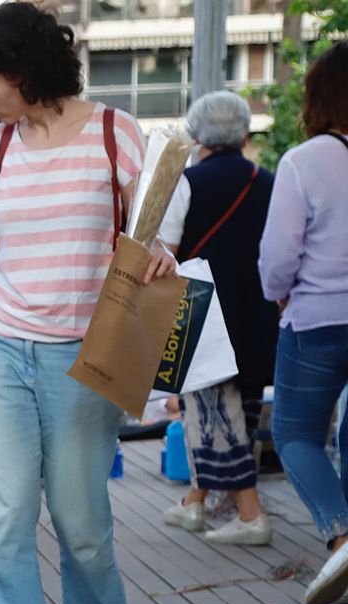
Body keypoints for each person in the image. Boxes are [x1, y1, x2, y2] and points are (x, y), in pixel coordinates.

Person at [0, 1, 175, 604]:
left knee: (80, 514)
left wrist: (160, 256)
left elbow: (150, 231)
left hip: (84, 354)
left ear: (24, 72)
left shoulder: (115, 132)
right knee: (5, 513)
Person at [155, 91, 277, 546]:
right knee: (237, 409)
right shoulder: (269, 180)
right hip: (259, 310)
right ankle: (196, 501)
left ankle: (250, 515)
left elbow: (164, 251)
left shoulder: (187, 182)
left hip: (201, 310)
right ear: (245, 134)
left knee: (210, 409)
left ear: (196, 134)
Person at [260, 41, 348, 604]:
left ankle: (341, 535)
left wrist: (276, 297)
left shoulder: (304, 161)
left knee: (294, 432)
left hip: (316, 319)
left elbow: (278, 255)